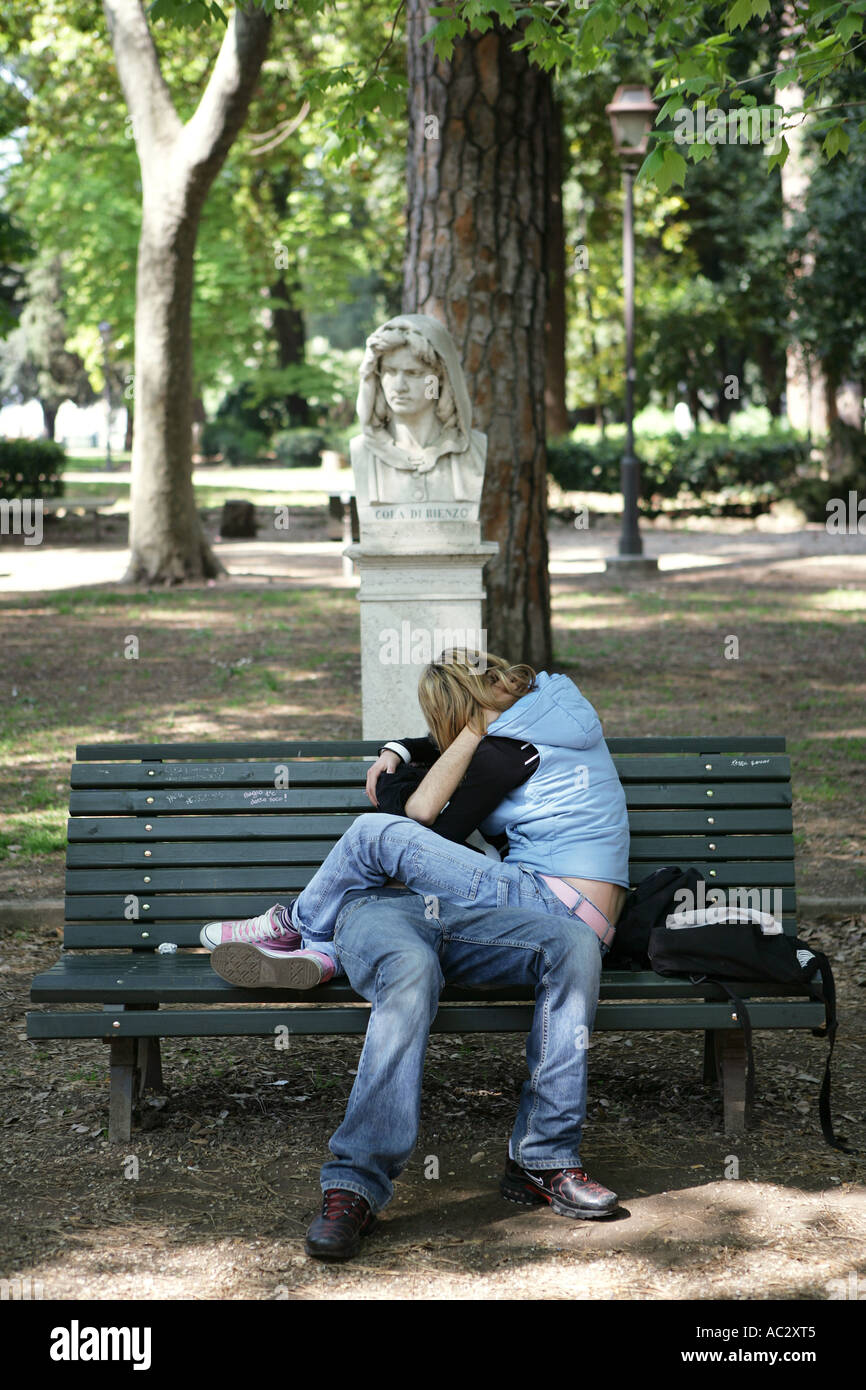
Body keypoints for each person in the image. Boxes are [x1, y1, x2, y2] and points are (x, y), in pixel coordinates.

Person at [200, 650, 631, 993]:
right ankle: (321, 956)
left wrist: (471, 732)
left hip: (557, 912)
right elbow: (442, 756)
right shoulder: (544, 714)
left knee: (376, 837)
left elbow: (427, 827)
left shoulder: (503, 754)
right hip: (575, 911)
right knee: (377, 901)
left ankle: (290, 925)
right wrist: (401, 749)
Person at [303, 885, 617, 1260]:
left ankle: (543, 1155)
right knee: (412, 965)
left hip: (469, 913)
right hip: (380, 907)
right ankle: (355, 1182)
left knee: (575, 941)